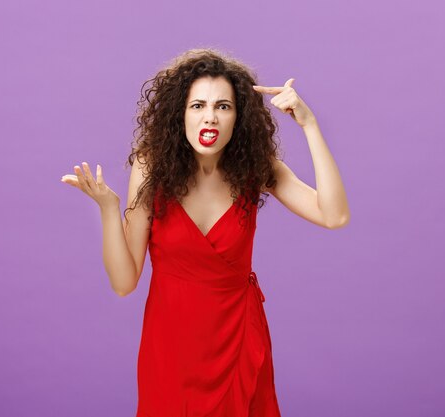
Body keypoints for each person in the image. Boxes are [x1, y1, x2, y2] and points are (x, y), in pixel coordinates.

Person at [61, 48, 350, 417]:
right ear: (179, 113)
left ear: (238, 117)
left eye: (223, 106)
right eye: (197, 105)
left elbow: (334, 215)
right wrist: (107, 209)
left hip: (237, 340)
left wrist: (309, 125)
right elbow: (123, 282)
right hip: (170, 348)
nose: (209, 116)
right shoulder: (152, 168)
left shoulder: (257, 168)